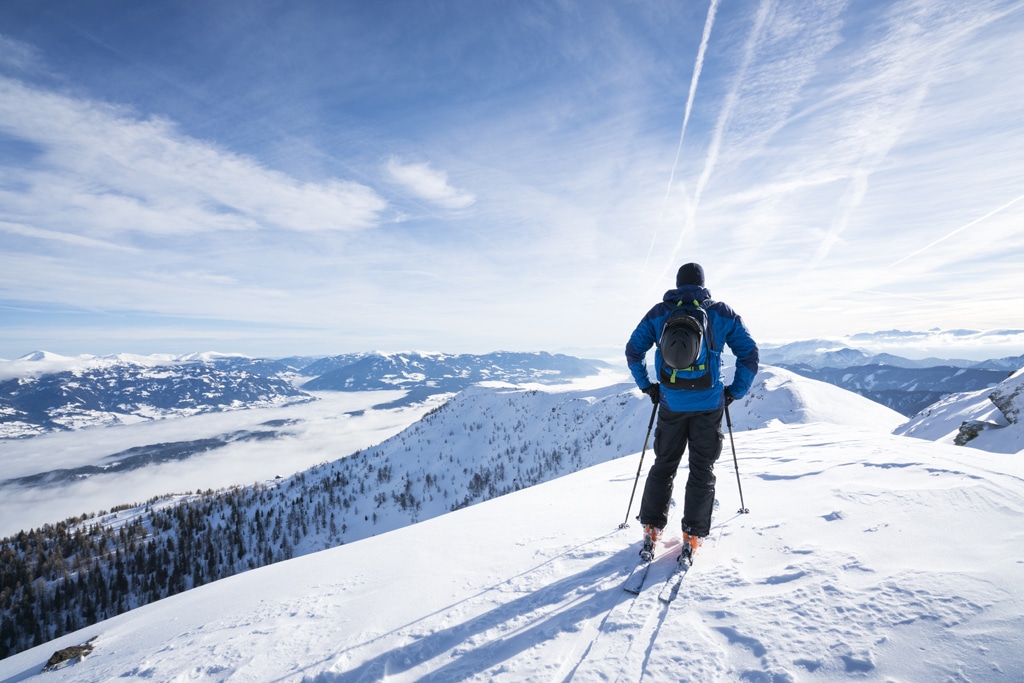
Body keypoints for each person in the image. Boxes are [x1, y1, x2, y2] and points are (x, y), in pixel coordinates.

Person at [625, 262, 758, 562]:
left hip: (671, 403)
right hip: (709, 404)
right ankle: (693, 535)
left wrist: (649, 387)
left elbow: (633, 351)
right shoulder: (720, 313)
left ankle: (651, 528)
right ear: (702, 284)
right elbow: (749, 354)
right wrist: (734, 392)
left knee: (664, 465)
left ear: (677, 283)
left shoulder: (661, 313)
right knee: (702, 469)